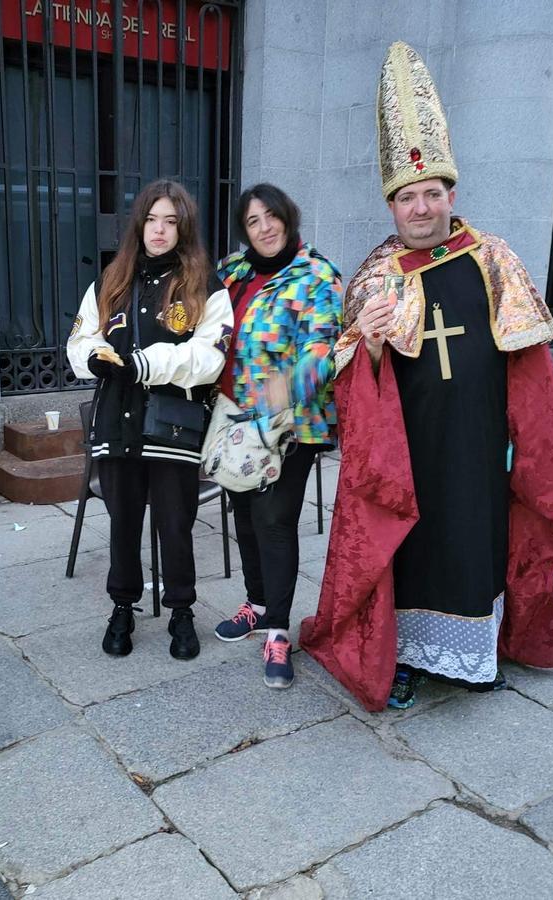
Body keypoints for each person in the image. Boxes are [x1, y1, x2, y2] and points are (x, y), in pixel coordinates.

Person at [300, 42, 553, 711]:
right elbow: (346, 371)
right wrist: (367, 341)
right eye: (409, 198)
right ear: (392, 204)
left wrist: (532, 445)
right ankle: (401, 656)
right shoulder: (377, 273)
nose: (423, 208)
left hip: (480, 441)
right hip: (411, 450)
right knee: (412, 544)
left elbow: (530, 364)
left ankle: (473, 656)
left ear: (450, 194)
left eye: (433, 194)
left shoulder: (493, 260)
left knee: (475, 540)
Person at [67, 180, 233, 660]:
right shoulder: (109, 281)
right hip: (117, 423)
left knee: (175, 523)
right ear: (138, 224)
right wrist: (93, 358)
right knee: (121, 523)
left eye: (171, 222)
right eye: (152, 220)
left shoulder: (205, 286)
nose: (159, 231)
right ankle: (123, 606)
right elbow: (80, 340)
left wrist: (147, 363)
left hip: (173, 426)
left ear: (184, 229)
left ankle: (182, 610)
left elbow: (210, 356)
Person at [211, 184, 342, 689]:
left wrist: (278, 394)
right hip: (234, 424)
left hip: (293, 425)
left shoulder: (315, 274)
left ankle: (278, 629)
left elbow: (325, 350)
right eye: (252, 220)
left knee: (273, 518)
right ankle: (257, 602)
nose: (264, 227)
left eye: (271, 216)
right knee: (243, 513)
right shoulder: (234, 272)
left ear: (288, 217)